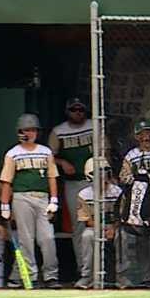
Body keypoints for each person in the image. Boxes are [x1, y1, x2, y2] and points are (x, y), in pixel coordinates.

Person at [0, 113, 61, 289]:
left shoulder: (45, 151)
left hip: (42, 198)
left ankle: (51, 275)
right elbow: (6, 182)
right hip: (21, 198)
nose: (30, 133)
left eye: (33, 130)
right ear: (20, 131)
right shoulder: (13, 154)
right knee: (26, 239)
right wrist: (5, 205)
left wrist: (54, 199)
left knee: (47, 237)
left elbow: (52, 177)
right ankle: (30, 276)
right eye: (27, 130)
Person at [118, 118, 150, 288]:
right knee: (141, 237)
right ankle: (146, 276)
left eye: (148, 132)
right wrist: (136, 177)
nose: (145, 136)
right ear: (136, 136)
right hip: (139, 199)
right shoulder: (131, 155)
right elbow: (123, 177)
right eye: (141, 134)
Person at [49, 98, 94, 282]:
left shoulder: (94, 125)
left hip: (95, 182)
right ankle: (83, 270)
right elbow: (49, 157)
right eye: (74, 110)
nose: (78, 113)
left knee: (103, 224)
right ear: (68, 111)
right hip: (73, 183)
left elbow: (105, 150)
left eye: (81, 110)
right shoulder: (58, 131)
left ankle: (102, 269)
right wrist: (61, 162)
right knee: (80, 227)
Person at [74, 157, 123, 289]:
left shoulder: (117, 191)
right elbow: (87, 220)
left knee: (122, 236)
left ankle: (121, 277)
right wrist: (101, 228)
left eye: (105, 172)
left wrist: (113, 227)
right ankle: (87, 277)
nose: (103, 176)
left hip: (114, 226)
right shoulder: (84, 194)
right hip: (95, 226)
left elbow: (121, 216)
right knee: (87, 236)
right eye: (99, 172)